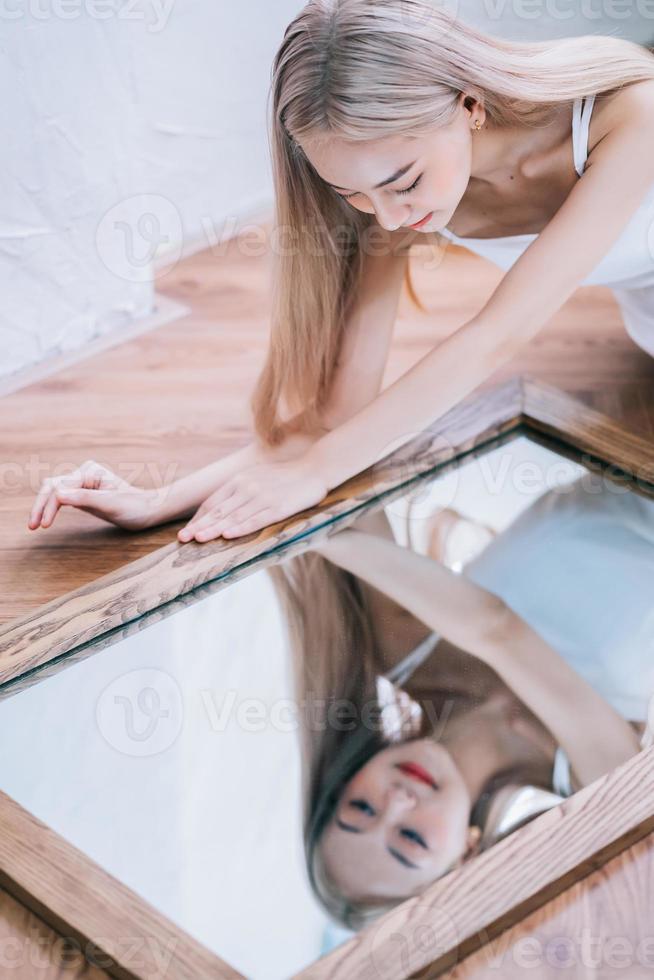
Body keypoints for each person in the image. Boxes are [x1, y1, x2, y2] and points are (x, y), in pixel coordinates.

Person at [28, 1, 654, 543]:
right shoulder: (387, 194)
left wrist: (316, 474)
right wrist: (158, 502)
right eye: (352, 194)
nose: (384, 215)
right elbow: (338, 417)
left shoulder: (630, 114)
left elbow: (498, 335)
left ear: (469, 103)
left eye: (402, 182)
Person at [269, 478, 654, 929]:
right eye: (411, 839)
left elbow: (347, 480)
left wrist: (302, 519)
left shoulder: (399, 647)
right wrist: (322, 540)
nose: (396, 802)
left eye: (361, 809)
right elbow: (499, 629)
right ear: (465, 854)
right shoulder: (599, 779)